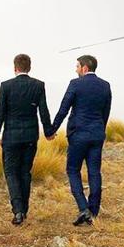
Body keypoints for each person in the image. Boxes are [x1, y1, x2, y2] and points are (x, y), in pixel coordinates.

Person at [0, 54, 54, 225]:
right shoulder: (38, 85)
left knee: (11, 173)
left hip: (11, 138)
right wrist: (48, 131)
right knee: (25, 172)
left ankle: (18, 211)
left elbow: (0, 114)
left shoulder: (6, 86)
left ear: (15, 68)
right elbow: (44, 111)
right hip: (30, 137)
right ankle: (23, 209)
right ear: (29, 68)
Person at [49, 55, 111, 226]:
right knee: (94, 172)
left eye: (77, 66)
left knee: (73, 170)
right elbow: (105, 112)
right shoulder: (105, 86)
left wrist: (51, 130)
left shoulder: (75, 84)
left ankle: (83, 208)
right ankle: (93, 211)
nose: (75, 69)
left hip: (78, 136)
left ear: (84, 68)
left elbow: (63, 109)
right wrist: (99, 129)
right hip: (97, 135)